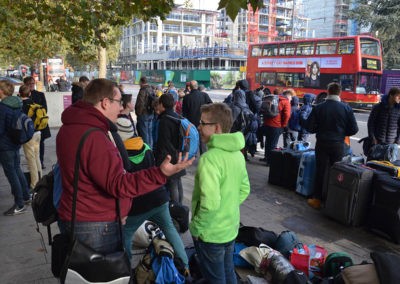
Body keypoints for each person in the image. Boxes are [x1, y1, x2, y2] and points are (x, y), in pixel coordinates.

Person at [56, 78, 194, 255]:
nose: (121, 107)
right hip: (94, 224)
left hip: (78, 215)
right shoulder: (94, 136)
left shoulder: (70, 127)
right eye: (119, 102)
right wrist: (159, 174)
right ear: (105, 103)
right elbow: (118, 184)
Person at [190, 102, 250, 283]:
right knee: (228, 272)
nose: (198, 127)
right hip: (230, 229)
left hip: (210, 234)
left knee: (215, 279)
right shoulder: (238, 154)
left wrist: (196, 228)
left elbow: (210, 203)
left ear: (216, 127)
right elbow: (244, 189)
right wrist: (228, 206)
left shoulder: (209, 159)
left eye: (202, 123)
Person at [119, 133, 189, 272]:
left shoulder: (120, 154)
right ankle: (185, 266)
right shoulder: (146, 147)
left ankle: (124, 270)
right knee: (169, 229)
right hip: (159, 197)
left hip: (137, 205)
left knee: (126, 233)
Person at [304, 82, 358, 209]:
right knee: (336, 172)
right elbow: (354, 129)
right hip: (338, 144)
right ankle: (332, 199)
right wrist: (342, 133)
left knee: (320, 170)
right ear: (340, 93)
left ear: (328, 92)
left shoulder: (319, 107)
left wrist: (320, 129)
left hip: (322, 143)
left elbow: (309, 127)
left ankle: (317, 199)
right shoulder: (346, 108)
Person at [0, 80, 31, 215]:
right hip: (15, 142)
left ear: (1, 91)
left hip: (5, 145)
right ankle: (25, 196)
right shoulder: (16, 103)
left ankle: (19, 204)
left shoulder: (2, 108)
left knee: (11, 173)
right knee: (17, 169)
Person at [154, 93, 186, 204]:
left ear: (162, 104)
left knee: (172, 183)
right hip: (179, 154)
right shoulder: (177, 116)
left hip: (169, 156)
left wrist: (159, 159)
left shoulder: (165, 120)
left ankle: (175, 209)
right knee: (178, 182)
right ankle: (180, 206)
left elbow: (164, 142)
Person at [23, 76, 51, 169]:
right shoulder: (22, 96)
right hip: (28, 125)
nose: (31, 85)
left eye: (32, 83)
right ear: (25, 84)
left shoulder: (40, 94)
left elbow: (45, 109)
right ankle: (32, 163)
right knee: (29, 146)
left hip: (39, 124)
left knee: (40, 144)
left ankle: (40, 162)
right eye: (29, 84)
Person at [19, 85, 42, 190]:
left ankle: (34, 184)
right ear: (29, 94)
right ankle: (40, 179)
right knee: (36, 157)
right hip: (38, 133)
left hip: (29, 135)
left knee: (31, 160)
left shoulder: (20, 105)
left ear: (19, 94)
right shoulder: (33, 103)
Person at [260, 89, 291, 166]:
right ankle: (270, 162)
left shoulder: (270, 98)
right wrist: (283, 125)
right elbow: (287, 115)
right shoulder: (285, 101)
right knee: (273, 144)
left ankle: (266, 157)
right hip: (276, 126)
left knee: (267, 142)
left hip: (266, 124)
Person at [182, 80, 213, 154]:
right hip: (202, 123)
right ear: (197, 86)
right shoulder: (204, 95)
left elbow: (184, 112)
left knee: (191, 141)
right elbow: (211, 106)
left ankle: (191, 156)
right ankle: (203, 157)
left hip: (190, 124)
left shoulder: (186, 97)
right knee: (203, 141)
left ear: (190, 87)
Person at [135, 76, 155, 148]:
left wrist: (138, 113)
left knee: (144, 135)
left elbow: (140, 103)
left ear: (141, 82)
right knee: (149, 133)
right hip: (150, 113)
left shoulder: (143, 90)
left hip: (143, 114)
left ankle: (146, 151)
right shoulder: (151, 89)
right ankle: (151, 149)